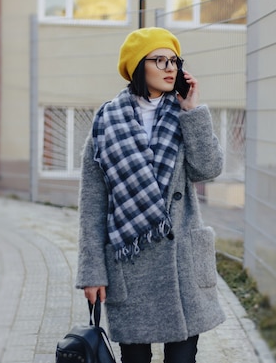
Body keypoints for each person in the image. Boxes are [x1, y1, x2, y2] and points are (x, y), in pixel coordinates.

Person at [75, 27, 226, 363]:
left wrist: (193, 112)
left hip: (182, 264)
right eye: (160, 60)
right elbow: (92, 206)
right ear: (137, 66)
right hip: (131, 263)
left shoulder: (185, 114)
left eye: (174, 60)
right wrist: (91, 271)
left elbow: (209, 170)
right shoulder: (106, 123)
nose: (170, 67)